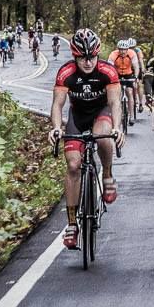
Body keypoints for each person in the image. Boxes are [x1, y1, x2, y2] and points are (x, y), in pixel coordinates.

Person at [49, 29, 125, 249]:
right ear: (75, 56)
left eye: (92, 56)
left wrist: (117, 128)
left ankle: (108, 175)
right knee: (73, 165)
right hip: (78, 117)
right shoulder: (66, 73)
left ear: (97, 54)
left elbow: (115, 103)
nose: (88, 62)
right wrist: (55, 128)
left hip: (101, 113)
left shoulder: (107, 71)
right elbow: (57, 104)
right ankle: (72, 224)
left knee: (103, 137)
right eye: (83, 57)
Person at [107, 40, 139, 126]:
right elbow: (109, 67)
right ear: (118, 49)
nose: (123, 51)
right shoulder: (113, 55)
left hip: (128, 75)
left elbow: (136, 66)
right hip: (117, 75)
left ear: (127, 49)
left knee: (129, 92)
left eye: (125, 49)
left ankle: (131, 116)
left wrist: (136, 77)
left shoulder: (132, 53)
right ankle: (118, 113)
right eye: (121, 49)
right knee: (117, 94)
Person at [128, 37, 147, 111]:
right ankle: (133, 99)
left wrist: (142, 69)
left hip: (137, 67)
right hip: (129, 68)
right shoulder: (126, 51)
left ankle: (140, 103)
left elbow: (141, 60)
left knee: (139, 84)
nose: (131, 49)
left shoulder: (138, 50)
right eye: (130, 48)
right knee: (132, 85)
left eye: (133, 47)